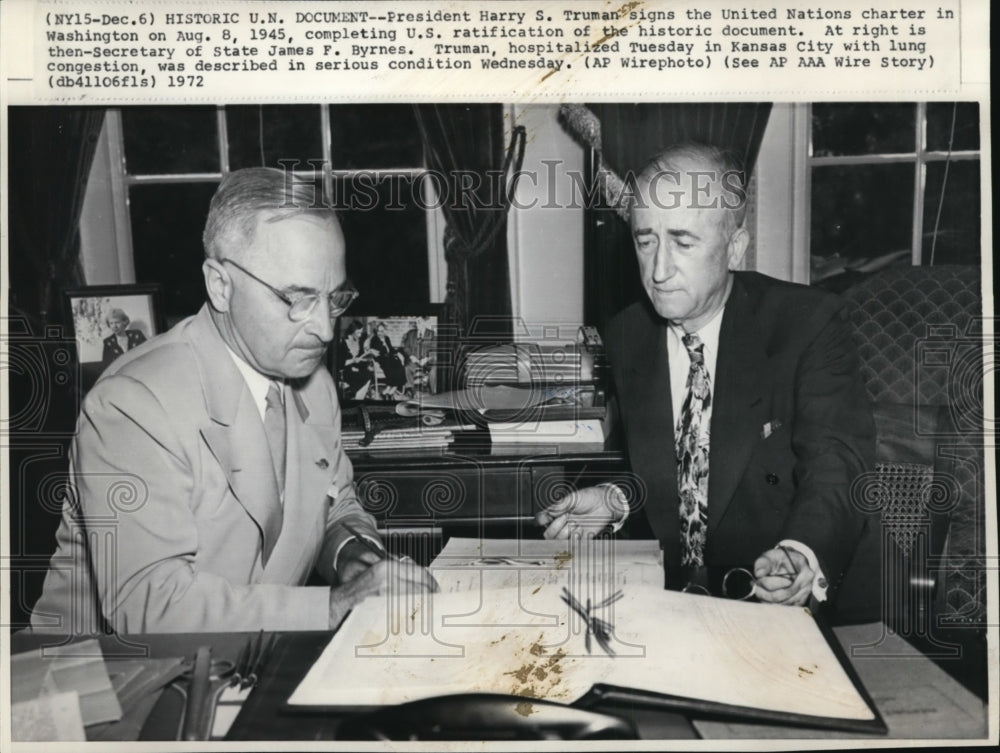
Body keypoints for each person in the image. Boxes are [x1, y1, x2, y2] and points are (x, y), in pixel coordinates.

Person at [31, 168, 436, 634]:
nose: (325, 328)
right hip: (107, 683)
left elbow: (334, 501)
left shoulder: (312, 382)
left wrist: (349, 552)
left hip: (242, 663)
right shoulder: (132, 405)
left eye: (334, 298)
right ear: (220, 284)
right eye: (297, 298)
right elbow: (148, 606)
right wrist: (331, 606)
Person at [536, 144, 874, 608]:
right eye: (645, 240)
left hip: (782, 601)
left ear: (734, 248)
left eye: (683, 242)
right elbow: (667, 464)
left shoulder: (806, 322)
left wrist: (800, 552)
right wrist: (617, 498)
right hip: (675, 603)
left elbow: (837, 463)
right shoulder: (627, 334)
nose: (658, 270)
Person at [365, 321, 407, 399]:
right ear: (376, 331)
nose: (380, 333)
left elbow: (391, 349)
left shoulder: (387, 338)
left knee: (399, 363)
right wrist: (382, 343)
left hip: (389, 357)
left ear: (385, 331)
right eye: (379, 331)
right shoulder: (374, 339)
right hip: (381, 358)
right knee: (389, 364)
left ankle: (390, 387)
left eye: (382, 331)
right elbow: (378, 352)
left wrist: (397, 353)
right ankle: (394, 386)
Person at [337, 319, 375, 400]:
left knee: (370, 372)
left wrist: (366, 359)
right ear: (352, 331)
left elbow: (360, 358)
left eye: (361, 332)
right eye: (358, 333)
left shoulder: (359, 341)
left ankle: (354, 395)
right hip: (347, 371)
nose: (360, 335)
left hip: (358, 368)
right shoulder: (342, 343)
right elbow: (340, 363)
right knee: (366, 376)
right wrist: (353, 361)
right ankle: (355, 396)